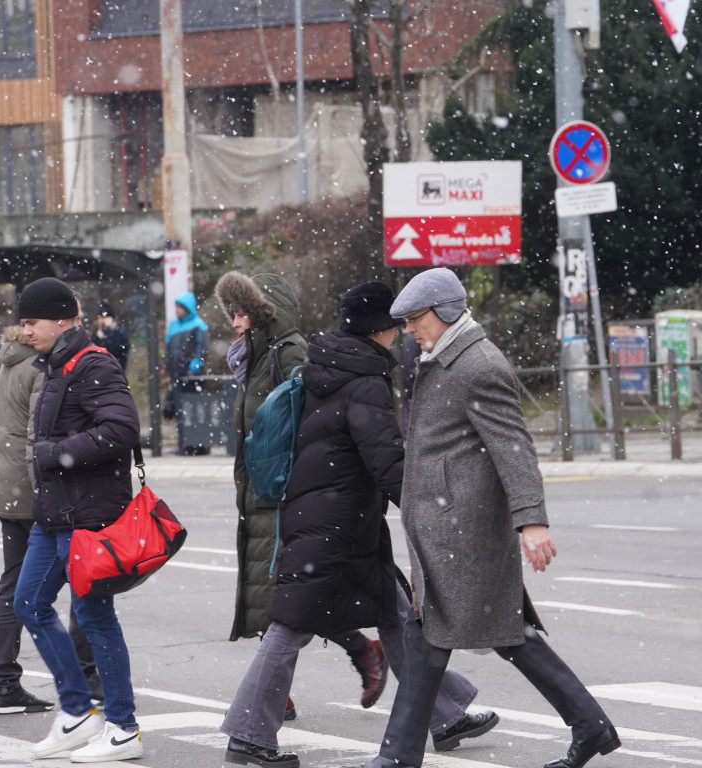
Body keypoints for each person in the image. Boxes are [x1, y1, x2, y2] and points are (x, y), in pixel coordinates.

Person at [344, 268, 620, 768]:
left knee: (438, 635)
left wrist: (531, 520)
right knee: (489, 637)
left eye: (415, 319)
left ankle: (397, 757)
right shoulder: (444, 357)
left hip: (464, 534)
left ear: (446, 312)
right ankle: (591, 726)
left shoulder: (478, 364)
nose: (408, 330)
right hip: (448, 531)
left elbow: (513, 449)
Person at [219, 281, 497, 768]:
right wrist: (428, 510)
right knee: (290, 626)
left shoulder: (324, 366)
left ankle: (445, 714)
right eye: (398, 322)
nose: (405, 330)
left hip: (327, 514)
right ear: (382, 328)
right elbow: (385, 461)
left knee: (395, 613)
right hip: (337, 524)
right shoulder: (365, 379)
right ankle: (248, 734)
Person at [214, 271, 385, 719]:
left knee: (285, 598)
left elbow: (309, 424)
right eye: (231, 313)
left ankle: (272, 694)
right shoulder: (253, 356)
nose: (235, 322)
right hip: (262, 491)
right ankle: (362, 652)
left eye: (243, 312)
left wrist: (296, 481)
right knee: (286, 596)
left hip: (288, 492)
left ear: (265, 312)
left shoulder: (289, 352)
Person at [14, 277, 144, 763]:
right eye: (23, 322)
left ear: (64, 318)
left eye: (33, 321)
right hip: (55, 515)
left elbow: (122, 428)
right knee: (28, 602)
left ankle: (123, 727)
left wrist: (57, 454)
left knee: (93, 616)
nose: (27, 331)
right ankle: (75, 711)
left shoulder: (93, 364)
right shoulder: (55, 364)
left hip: (88, 515)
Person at [0, 325, 102, 715]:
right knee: (82, 577)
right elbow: (38, 433)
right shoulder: (38, 364)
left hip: (6, 484)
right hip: (32, 489)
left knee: (12, 586)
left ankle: (3, 683)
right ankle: (85, 677)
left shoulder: (10, 359)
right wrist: (45, 492)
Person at [164, 291, 210, 454]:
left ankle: (199, 445)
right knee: (180, 412)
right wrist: (168, 369)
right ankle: (183, 444)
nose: (176, 310)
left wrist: (193, 369)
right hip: (177, 376)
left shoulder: (199, 325)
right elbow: (168, 351)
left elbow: (202, 350)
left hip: (192, 378)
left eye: (179, 307)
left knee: (196, 412)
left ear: (187, 308)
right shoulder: (173, 326)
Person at [91, 303, 130, 369]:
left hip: (117, 373)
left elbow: (112, 351)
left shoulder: (120, 334)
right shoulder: (95, 336)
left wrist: (107, 330)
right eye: (100, 318)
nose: (102, 320)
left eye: (105, 318)